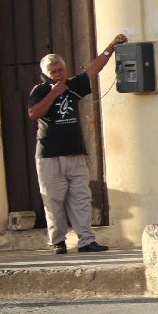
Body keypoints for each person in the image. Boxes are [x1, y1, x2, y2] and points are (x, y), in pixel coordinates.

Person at [27, 34, 127, 254]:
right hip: (49, 155)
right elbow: (34, 114)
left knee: (81, 198)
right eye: (53, 72)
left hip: (74, 152)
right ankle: (58, 241)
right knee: (53, 200)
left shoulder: (73, 85)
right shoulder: (40, 90)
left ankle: (86, 240)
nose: (58, 74)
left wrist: (111, 47)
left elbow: (93, 69)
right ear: (46, 74)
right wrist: (53, 94)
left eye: (60, 70)